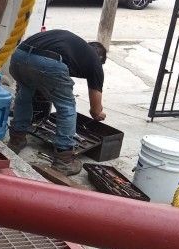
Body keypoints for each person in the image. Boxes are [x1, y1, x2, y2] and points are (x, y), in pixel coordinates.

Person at [6, 29, 107, 175]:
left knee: (24, 95)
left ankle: (16, 140)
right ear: (101, 60)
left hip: (19, 55)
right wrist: (99, 114)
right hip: (46, 62)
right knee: (67, 107)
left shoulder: (73, 47)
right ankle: (64, 161)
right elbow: (95, 111)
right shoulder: (95, 62)